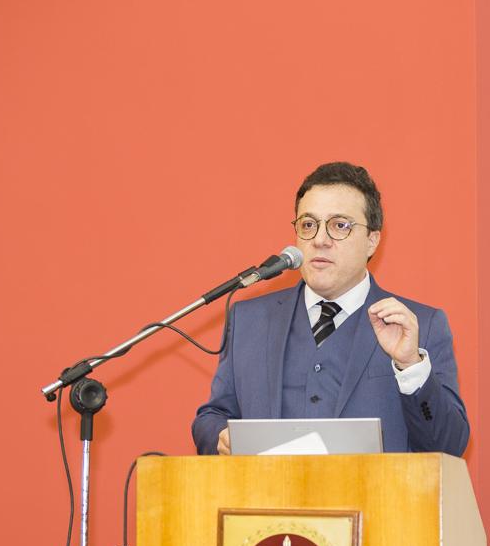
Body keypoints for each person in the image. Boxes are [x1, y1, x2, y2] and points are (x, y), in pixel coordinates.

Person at [191, 161, 469, 456]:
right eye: (308, 225)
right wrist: (221, 437)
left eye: (339, 226)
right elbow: (212, 417)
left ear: (372, 240)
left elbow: (448, 446)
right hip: (269, 487)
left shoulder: (419, 326)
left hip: (377, 488)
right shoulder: (250, 320)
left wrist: (410, 365)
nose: (320, 240)